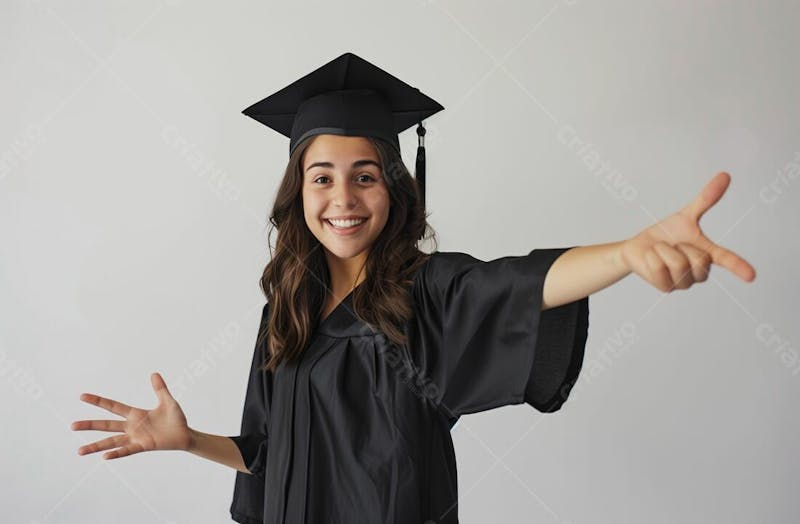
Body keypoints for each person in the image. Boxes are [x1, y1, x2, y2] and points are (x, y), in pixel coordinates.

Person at [70, 52, 756, 524]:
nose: (344, 196)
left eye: (365, 175)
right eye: (323, 176)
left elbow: (522, 281)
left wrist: (627, 254)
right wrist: (188, 440)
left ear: (394, 190)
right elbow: (265, 455)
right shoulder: (286, 312)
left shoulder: (426, 292)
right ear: (298, 192)